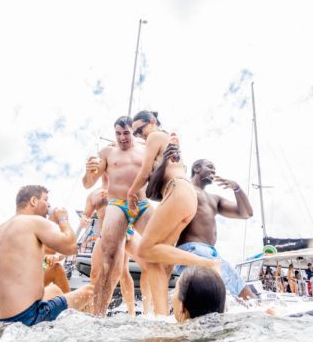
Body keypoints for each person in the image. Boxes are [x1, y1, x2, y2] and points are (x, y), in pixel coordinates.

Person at [127, 110, 220, 315]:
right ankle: (161, 318)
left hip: (177, 192)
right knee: (156, 263)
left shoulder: (156, 136)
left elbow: (144, 174)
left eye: (140, 129)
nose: (139, 135)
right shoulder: (169, 142)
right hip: (184, 196)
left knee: (144, 250)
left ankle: (209, 263)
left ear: (152, 122)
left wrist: (130, 193)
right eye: (135, 134)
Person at [0, 185, 93, 326]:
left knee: (54, 290)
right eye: (46, 200)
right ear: (33, 201)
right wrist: (63, 219)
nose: (49, 205)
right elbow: (71, 247)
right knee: (90, 290)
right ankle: (87, 328)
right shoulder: (35, 222)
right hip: (27, 317)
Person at [82, 116, 154, 316]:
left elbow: (157, 176)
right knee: (109, 261)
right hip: (117, 206)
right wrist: (88, 172)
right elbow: (88, 183)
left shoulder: (145, 149)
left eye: (126, 133)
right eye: (118, 133)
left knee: (155, 256)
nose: (122, 138)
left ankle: (151, 313)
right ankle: (98, 315)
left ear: (133, 132)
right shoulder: (107, 152)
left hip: (141, 205)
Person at [169, 158, 256, 300]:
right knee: (233, 292)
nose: (213, 171)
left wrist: (237, 188)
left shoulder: (214, 199)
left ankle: (259, 312)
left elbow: (246, 213)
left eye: (214, 168)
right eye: (209, 166)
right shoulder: (185, 189)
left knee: (239, 287)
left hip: (211, 253)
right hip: (192, 251)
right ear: (196, 168)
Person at [82, 186, 136, 316]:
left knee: (121, 272)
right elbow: (86, 214)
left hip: (123, 231)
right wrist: (84, 218)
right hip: (103, 234)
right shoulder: (93, 194)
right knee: (94, 273)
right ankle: (94, 309)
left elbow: (137, 207)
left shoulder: (123, 187)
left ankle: (131, 312)